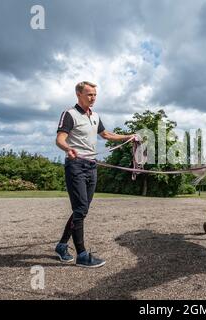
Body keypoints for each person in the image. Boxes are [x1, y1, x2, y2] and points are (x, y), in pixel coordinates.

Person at [55, 81, 135, 268]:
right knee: (81, 209)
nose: (93, 98)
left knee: (81, 210)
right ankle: (82, 255)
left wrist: (128, 136)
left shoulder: (95, 116)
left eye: (95, 95)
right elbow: (60, 138)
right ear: (79, 95)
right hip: (76, 165)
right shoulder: (70, 114)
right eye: (89, 94)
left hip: (92, 166)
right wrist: (68, 148)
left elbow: (105, 134)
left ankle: (61, 246)